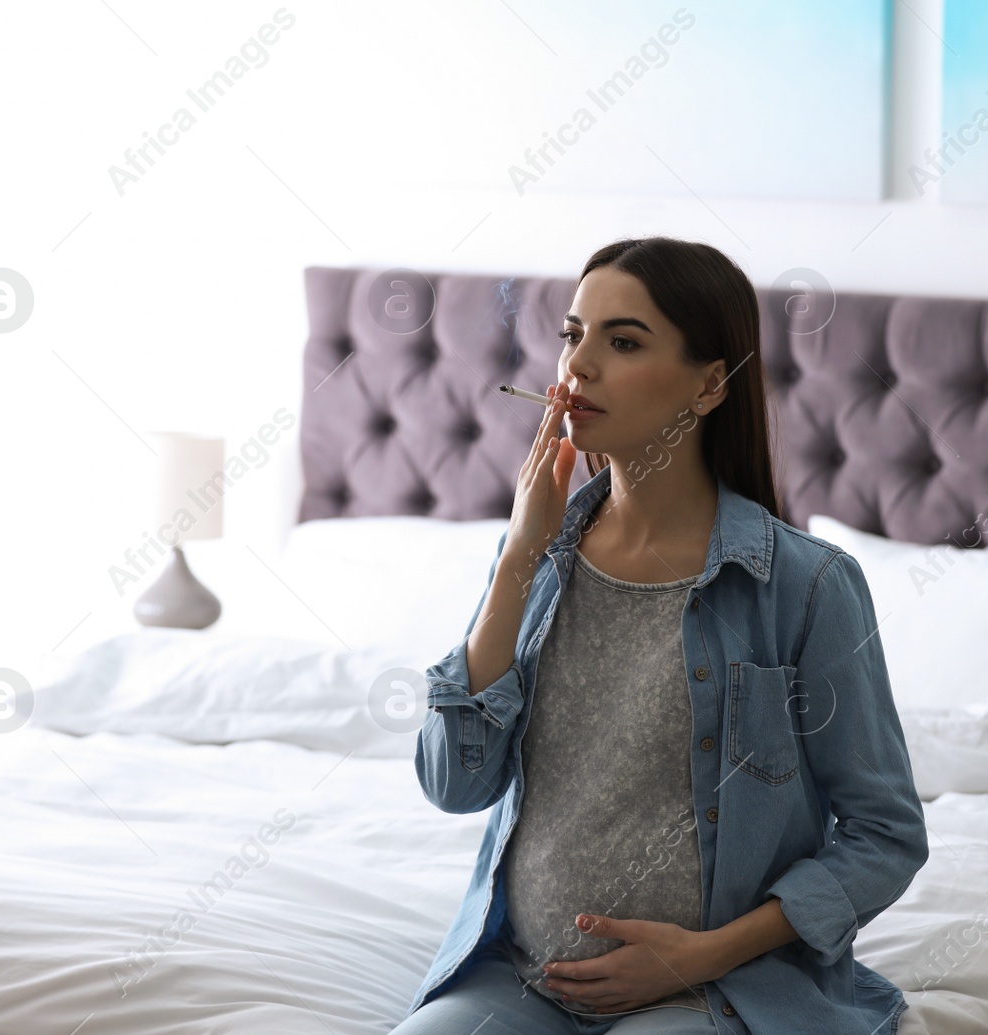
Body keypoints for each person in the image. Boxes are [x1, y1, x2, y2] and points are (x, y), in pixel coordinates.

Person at [391, 237, 928, 1035]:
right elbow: (454, 783)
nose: (579, 368)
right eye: (573, 335)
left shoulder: (808, 586)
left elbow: (886, 835)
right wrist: (516, 556)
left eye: (624, 341)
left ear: (711, 384)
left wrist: (705, 953)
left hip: (711, 990)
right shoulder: (537, 561)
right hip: (521, 977)